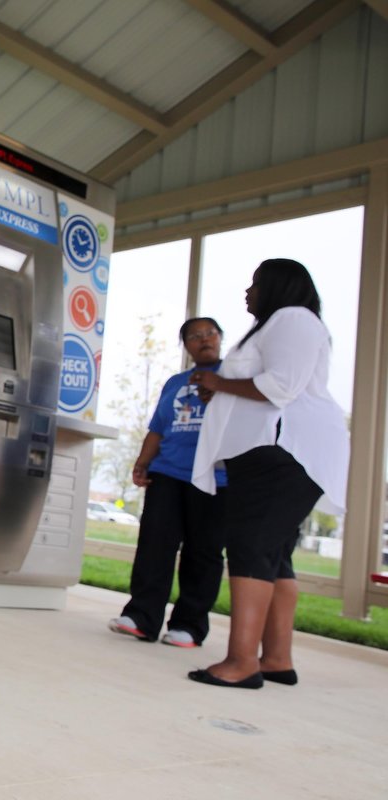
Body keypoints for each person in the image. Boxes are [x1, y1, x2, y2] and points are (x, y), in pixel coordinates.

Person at [187, 258, 348, 689]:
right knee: (274, 554)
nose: (248, 290)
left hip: (283, 453)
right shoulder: (280, 324)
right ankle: (276, 659)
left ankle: (242, 663)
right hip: (269, 455)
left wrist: (218, 384)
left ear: (279, 287)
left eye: (256, 283)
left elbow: (280, 386)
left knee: (250, 545)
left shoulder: (293, 318)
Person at [108, 317, 227, 647]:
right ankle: (141, 617)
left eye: (210, 333)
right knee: (154, 545)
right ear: (185, 346)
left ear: (220, 338)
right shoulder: (175, 382)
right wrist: (143, 461)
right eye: (194, 335)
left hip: (215, 477)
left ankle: (188, 626)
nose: (204, 340)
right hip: (169, 472)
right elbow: (159, 427)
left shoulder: (235, 379)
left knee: (203, 552)